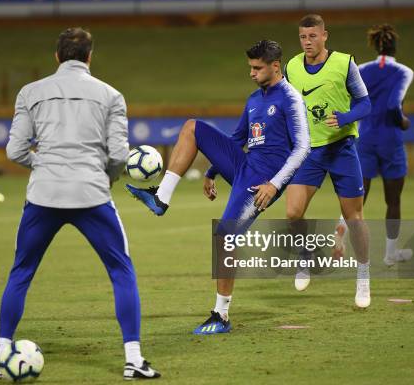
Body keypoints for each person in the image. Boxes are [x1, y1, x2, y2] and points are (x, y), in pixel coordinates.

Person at [0, 28, 160, 380]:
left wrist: (46, 165)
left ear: (57, 56)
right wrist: (107, 175)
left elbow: (14, 151)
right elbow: (117, 154)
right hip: (91, 195)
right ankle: (133, 359)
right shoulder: (111, 95)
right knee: (121, 270)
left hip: (43, 196)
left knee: (22, 271)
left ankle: (1, 355)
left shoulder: (30, 92)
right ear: (89, 56)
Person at [126, 40, 310, 334]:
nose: (251, 73)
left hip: (262, 181)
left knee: (225, 236)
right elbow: (238, 138)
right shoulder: (254, 99)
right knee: (192, 127)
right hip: (243, 166)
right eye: (250, 67)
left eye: (257, 68)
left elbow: (303, 148)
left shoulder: (290, 98)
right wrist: (211, 172)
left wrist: (275, 185)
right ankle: (161, 197)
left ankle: (221, 315)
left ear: (275, 66)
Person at [284, 14, 373, 308]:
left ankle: (363, 275)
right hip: (309, 151)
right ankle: (305, 256)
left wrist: (346, 118)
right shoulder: (292, 67)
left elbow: (366, 103)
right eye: (302, 37)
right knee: (293, 213)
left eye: (312, 36)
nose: (307, 42)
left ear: (325, 36)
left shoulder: (345, 63)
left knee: (354, 219)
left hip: (341, 148)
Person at [335, 24, 414, 266]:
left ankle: (339, 235)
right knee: (393, 200)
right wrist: (402, 122)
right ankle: (391, 254)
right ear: (394, 47)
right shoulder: (403, 71)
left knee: (356, 197)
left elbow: (352, 99)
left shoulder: (361, 70)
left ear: (376, 45)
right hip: (390, 140)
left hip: (365, 138)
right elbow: (393, 104)